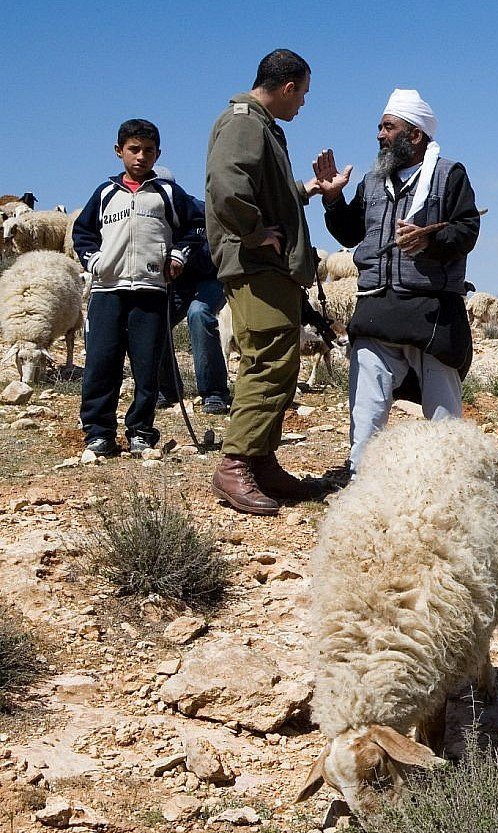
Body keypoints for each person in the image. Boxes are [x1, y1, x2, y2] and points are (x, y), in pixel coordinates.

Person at [313, 88, 481, 472]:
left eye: (387, 127)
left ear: (415, 135)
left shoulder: (449, 175)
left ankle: (448, 489)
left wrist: (431, 238)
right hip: (377, 311)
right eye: (379, 127)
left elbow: (467, 230)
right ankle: (362, 486)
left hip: (432, 314)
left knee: (444, 423)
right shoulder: (372, 181)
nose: (379, 135)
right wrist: (333, 199)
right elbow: (350, 233)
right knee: (366, 414)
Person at [204, 48, 324, 515]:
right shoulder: (244, 122)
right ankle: (235, 465)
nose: (302, 106)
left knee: (279, 358)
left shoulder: (260, 126)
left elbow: (262, 190)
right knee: (268, 359)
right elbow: (225, 185)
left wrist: (307, 191)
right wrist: (253, 232)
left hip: (266, 267)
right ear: (288, 87)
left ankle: (261, 459)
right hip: (254, 264)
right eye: (303, 95)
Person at [73, 119, 203, 458]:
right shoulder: (104, 194)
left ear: (158, 153)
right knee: (101, 363)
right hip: (107, 291)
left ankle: (142, 432)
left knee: (147, 366)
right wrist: (95, 262)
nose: (140, 156)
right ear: (119, 152)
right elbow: (82, 233)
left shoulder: (168, 194)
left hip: (151, 290)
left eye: (148, 151)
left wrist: (178, 255)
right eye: (133, 149)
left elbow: (195, 226)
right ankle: (98, 433)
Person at [155, 195, 232, 415]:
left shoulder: (194, 209)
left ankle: (214, 392)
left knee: (199, 313)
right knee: (154, 319)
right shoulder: (145, 213)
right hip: (178, 281)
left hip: (211, 276)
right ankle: (167, 388)